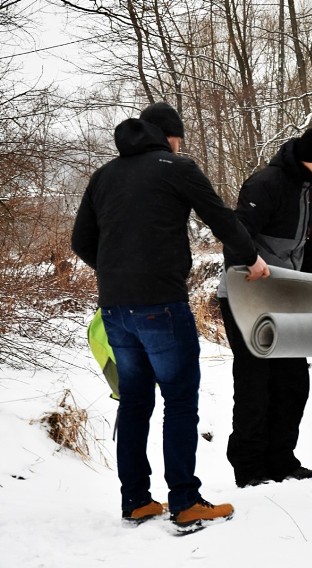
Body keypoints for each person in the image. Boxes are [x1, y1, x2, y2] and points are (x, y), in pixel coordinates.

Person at [71, 101, 270, 529]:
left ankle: (137, 500)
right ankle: (184, 501)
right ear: (168, 136)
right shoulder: (175, 166)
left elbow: (82, 240)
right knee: (180, 401)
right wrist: (252, 259)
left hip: (115, 309)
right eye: (178, 138)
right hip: (161, 304)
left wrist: (116, 273)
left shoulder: (103, 176)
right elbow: (220, 218)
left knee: (135, 401)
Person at [216, 126, 312, 488]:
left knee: (293, 382)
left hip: (288, 296)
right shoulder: (264, 183)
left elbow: (308, 247)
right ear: (303, 158)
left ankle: (281, 460)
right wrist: (247, 269)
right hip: (247, 294)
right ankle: (249, 466)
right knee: (256, 381)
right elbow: (235, 235)